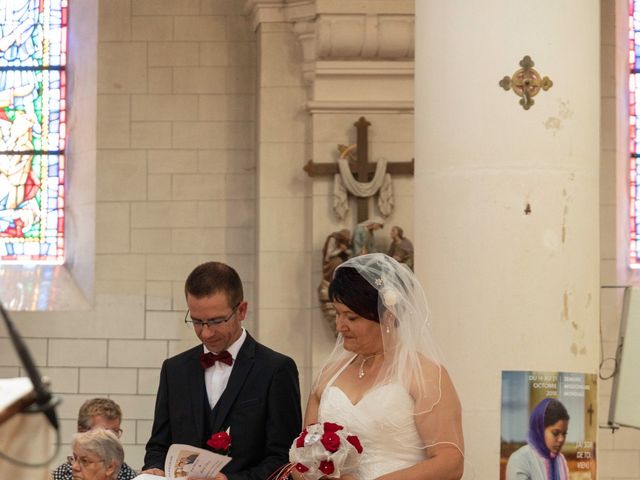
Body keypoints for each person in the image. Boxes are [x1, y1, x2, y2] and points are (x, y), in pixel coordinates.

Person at [301, 253, 464, 479]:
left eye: (351, 317)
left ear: (387, 316)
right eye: (338, 314)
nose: (340, 326)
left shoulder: (424, 374)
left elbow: (450, 461)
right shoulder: (328, 375)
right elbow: (306, 454)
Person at [143, 261, 302, 480]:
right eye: (197, 321)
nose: (206, 333)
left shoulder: (276, 369)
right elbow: (158, 446)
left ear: (242, 310)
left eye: (216, 321)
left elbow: (284, 459)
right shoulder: (174, 369)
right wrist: (154, 468)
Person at [51, 398, 137, 480]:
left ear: (111, 467)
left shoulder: (131, 477)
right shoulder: (62, 475)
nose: (111, 440)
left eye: (115, 433)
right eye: (102, 433)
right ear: (81, 431)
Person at [505, 398, 570, 480]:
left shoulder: (560, 460)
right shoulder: (520, 460)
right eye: (555, 433)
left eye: (564, 434)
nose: (561, 439)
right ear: (540, 429)